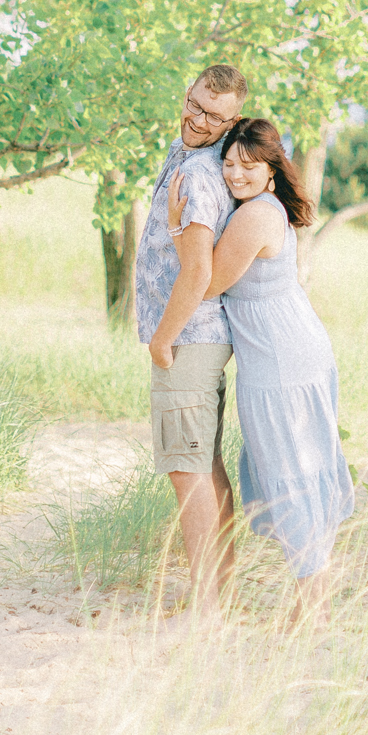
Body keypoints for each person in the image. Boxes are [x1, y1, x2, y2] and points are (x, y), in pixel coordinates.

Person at [166, 115, 353, 627]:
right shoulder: (261, 207)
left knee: (290, 474)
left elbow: (206, 283)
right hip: (290, 352)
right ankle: (314, 595)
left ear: (272, 170)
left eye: (249, 165)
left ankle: (313, 602)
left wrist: (177, 226)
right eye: (229, 163)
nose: (235, 174)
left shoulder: (255, 217)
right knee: (297, 470)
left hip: (282, 362)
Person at [137, 64, 247, 614]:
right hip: (201, 338)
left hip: (189, 339)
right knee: (204, 464)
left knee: (186, 470)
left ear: (231, 123)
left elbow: (197, 272)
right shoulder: (187, 156)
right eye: (195, 105)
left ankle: (207, 606)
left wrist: (162, 340)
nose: (199, 121)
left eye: (215, 118)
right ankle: (218, 594)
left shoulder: (201, 175)